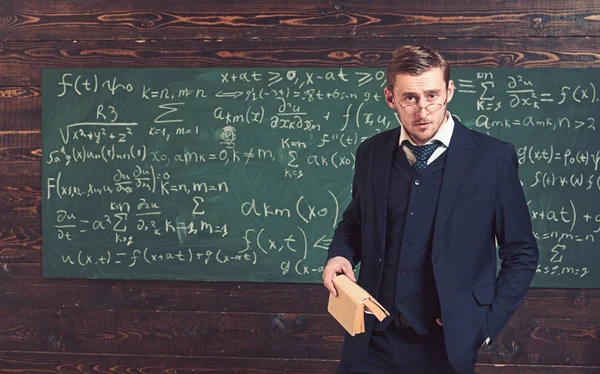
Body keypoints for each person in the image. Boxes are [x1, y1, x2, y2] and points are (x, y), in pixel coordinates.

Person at [322, 44, 539, 373]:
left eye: (433, 96)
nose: (423, 110)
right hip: (371, 340)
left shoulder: (492, 158)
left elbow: (521, 251)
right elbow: (354, 223)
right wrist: (339, 254)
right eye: (410, 98)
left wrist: (484, 326)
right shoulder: (372, 153)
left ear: (449, 91)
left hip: (447, 345)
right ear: (390, 98)